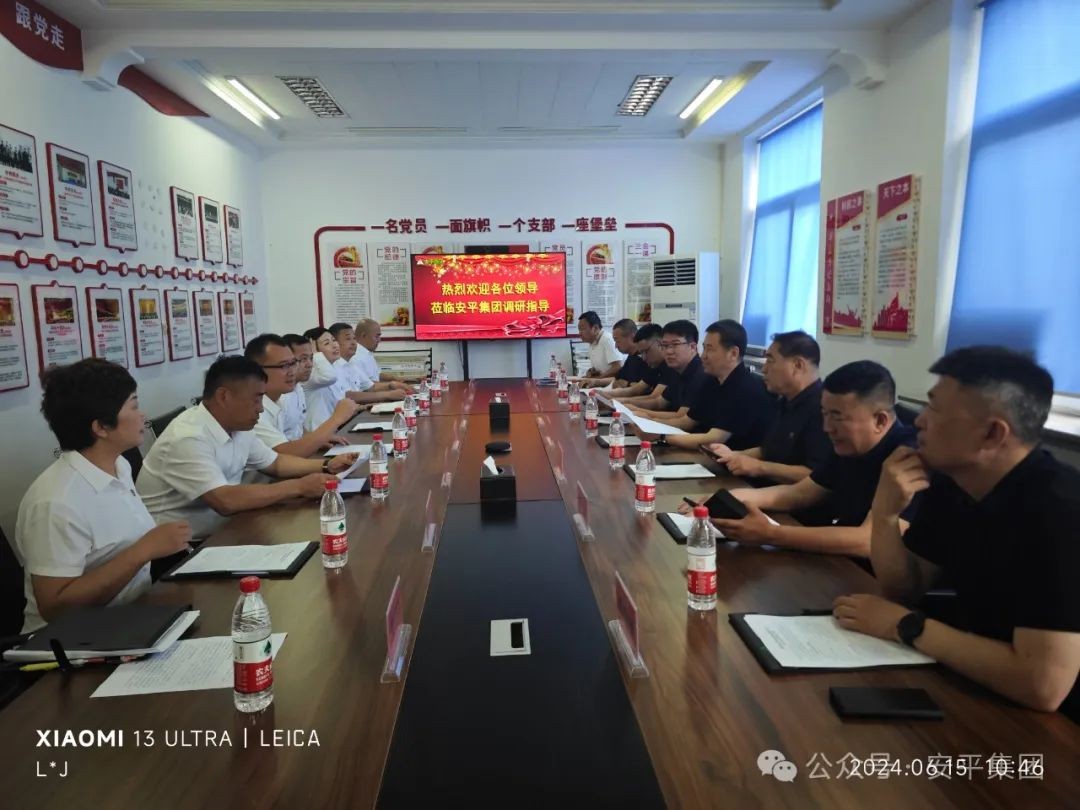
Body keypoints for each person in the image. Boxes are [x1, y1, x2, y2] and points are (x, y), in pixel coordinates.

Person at [834, 347, 1080, 720]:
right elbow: (905, 587)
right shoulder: (955, 481)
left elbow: (1043, 685)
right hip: (980, 679)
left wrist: (905, 625)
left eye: (935, 409)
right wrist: (885, 514)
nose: (919, 421)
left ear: (992, 434)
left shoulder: (1059, 510)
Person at [13, 359, 191, 633]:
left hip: (129, 615)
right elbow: (55, 608)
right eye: (133, 406)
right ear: (101, 428)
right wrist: (143, 551)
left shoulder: (119, 465)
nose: (142, 415)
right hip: (69, 641)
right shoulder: (56, 503)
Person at [697, 360, 917, 558]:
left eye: (838, 418)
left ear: (880, 421)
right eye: (825, 414)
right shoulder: (848, 446)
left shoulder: (907, 457)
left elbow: (869, 541)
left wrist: (771, 534)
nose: (827, 428)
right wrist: (729, 498)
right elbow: (801, 493)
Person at [136, 356, 358, 540]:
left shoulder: (237, 425)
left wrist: (326, 465)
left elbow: (276, 463)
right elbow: (225, 500)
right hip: (181, 551)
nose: (260, 409)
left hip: (225, 530)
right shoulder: (188, 437)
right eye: (256, 399)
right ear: (224, 396)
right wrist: (299, 487)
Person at [708, 330, 830, 484]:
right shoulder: (786, 401)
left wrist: (759, 467)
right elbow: (767, 450)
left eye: (770, 361)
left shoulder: (824, 409)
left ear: (798, 365)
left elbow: (818, 476)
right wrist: (734, 456)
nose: (764, 369)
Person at [633, 320, 774, 450]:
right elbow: (688, 421)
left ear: (733, 353)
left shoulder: (745, 387)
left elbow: (714, 439)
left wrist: (661, 436)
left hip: (735, 464)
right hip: (710, 455)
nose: (703, 356)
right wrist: (650, 422)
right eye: (704, 348)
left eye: (710, 349)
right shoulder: (711, 380)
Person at [245, 333, 357, 456]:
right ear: (257, 370)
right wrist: (336, 419)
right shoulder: (253, 409)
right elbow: (283, 456)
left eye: (293, 363)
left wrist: (318, 440)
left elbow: (298, 432)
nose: (292, 372)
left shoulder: (285, 393)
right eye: (284, 365)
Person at [619, 320, 708, 419]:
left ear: (692, 347)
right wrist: (625, 403)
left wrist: (638, 412)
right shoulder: (677, 370)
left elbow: (682, 417)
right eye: (665, 345)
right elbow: (659, 402)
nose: (668, 351)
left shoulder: (701, 374)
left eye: (675, 344)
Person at [329, 321, 411, 395]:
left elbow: (370, 386)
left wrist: (393, 384)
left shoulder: (351, 363)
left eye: (354, 338)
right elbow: (349, 395)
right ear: (334, 343)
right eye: (348, 339)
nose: (353, 342)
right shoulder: (336, 366)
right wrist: (388, 394)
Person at [606, 324, 666, 400]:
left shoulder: (671, 366)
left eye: (646, 351)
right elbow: (635, 390)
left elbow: (654, 400)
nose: (644, 358)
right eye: (641, 353)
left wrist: (618, 401)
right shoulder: (654, 366)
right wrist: (602, 394)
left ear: (659, 344)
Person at [354, 318, 423, 384]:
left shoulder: (367, 353)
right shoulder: (356, 356)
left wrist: (406, 379)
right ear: (364, 336)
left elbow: (377, 375)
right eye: (377, 336)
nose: (379, 340)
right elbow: (366, 386)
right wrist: (393, 386)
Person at [579, 319, 641, 388]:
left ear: (632, 336)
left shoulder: (643, 358)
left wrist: (627, 385)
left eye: (617, 341)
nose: (616, 346)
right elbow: (617, 379)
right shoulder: (631, 357)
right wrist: (595, 382)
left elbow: (640, 387)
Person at [281, 333, 313, 439]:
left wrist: (320, 440)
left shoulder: (298, 387)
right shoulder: (280, 396)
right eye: (303, 359)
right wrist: (336, 419)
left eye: (311, 358)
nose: (310, 364)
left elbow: (299, 428)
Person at [577, 311, 625, 378]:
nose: (580, 333)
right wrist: (591, 372)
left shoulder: (607, 339)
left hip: (614, 382)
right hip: (603, 382)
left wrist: (597, 379)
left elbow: (618, 367)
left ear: (595, 328)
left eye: (582, 329)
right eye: (579, 330)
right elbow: (599, 369)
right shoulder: (592, 343)